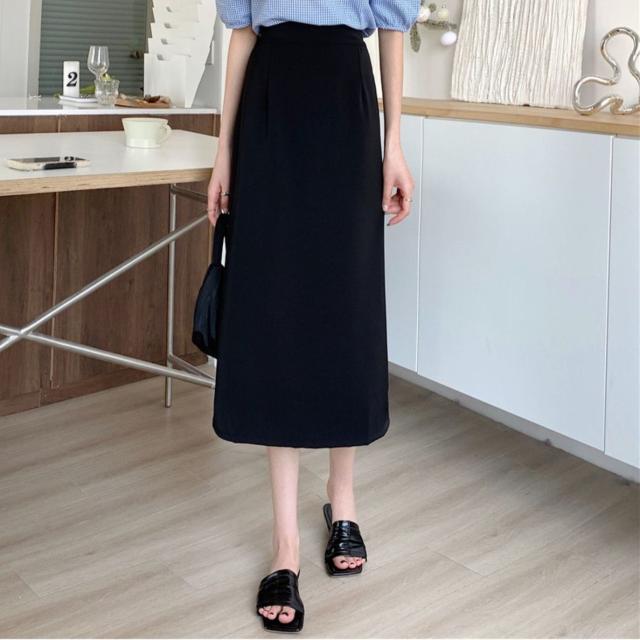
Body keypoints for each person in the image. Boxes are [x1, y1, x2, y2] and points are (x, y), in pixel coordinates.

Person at [207, 0, 419, 632]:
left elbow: (391, 31)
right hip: (269, 109)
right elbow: (242, 36)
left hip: (347, 104)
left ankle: (342, 500)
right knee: (277, 312)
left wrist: (394, 145)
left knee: (343, 305)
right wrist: (223, 150)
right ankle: (285, 547)